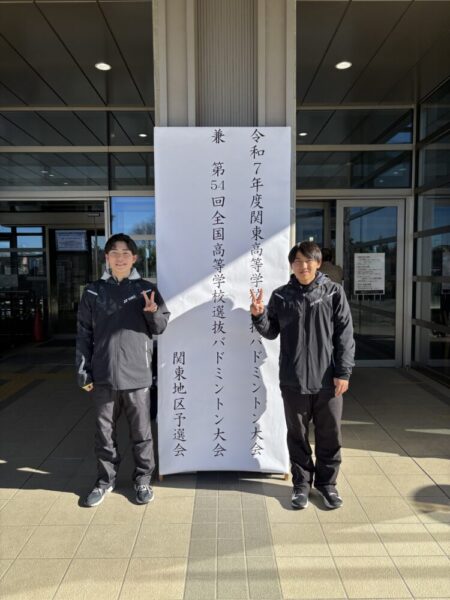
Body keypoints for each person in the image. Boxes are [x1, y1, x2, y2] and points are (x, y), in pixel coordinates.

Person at [250, 240, 354, 510]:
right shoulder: (281, 296)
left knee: (330, 435)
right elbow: (271, 331)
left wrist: (343, 372)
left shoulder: (333, 292)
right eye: (297, 261)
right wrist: (259, 316)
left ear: (318, 263)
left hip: (327, 380)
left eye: (308, 261)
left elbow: (345, 335)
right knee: (297, 435)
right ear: (291, 265)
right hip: (293, 379)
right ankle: (301, 485)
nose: (303, 266)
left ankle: (328, 485)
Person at [76, 233, 170, 507]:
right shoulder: (93, 291)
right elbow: (83, 333)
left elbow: (161, 327)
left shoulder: (145, 290)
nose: (120, 258)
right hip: (103, 375)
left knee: (141, 434)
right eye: (114, 253)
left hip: (137, 375)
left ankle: (143, 480)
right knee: (104, 434)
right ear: (106, 258)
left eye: (125, 253)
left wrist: (152, 312)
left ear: (134, 258)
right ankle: (105, 481)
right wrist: (83, 371)